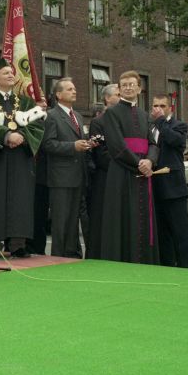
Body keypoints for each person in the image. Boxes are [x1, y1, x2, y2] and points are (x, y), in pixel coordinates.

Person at [0, 58, 46, 259]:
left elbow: (37, 127)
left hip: (21, 159)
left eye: (12, 72)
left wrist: (22, 138)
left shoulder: (26, 102)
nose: (11, 75)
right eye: (6, 73)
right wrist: (6, 136)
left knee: (21, 200)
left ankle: (18, 244)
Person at [100, 71, 160, 264]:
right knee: (122, 217)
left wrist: (150, 161)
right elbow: (117, 145)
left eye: (131, 84)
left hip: (144, 171)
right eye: (123, 84)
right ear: (119, 89)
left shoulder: (144, 115)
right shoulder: (111, 113)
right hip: (122, 171)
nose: (128, 87)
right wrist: (139, 163)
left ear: (139, 88)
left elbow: (153, 143)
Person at [41, 78, 91, 258]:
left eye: (75, 88)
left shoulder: (77, 116)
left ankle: (71, 253)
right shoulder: (52, 115)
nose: (74, 91)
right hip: (60, 177)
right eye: (70, 89)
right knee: (61, 219)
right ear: (58, 94)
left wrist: (86, 144)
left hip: (78, 175)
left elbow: (77, 140)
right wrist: (73, 146)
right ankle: (58, 255)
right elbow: (48, 144)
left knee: (73, 220)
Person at [150, 94, 188, 268]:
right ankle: (166, 264)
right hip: (154, 186)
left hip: (173, 187)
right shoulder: (150, 127)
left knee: (181, 230)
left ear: (171, 108)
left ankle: (187, 267)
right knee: (162, 232)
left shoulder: (179, 125)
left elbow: (175, 140)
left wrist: (161, 121)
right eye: (155, 105)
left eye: (162, 105)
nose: (158, 109)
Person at [87, 83, 120, 259]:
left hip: (122, 175)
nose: (121, 96)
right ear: (107, 98)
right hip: (105, 177)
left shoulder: (124, 119)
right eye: (117, 93)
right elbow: (100, 154)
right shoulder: (98, 122)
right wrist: (122, 163)